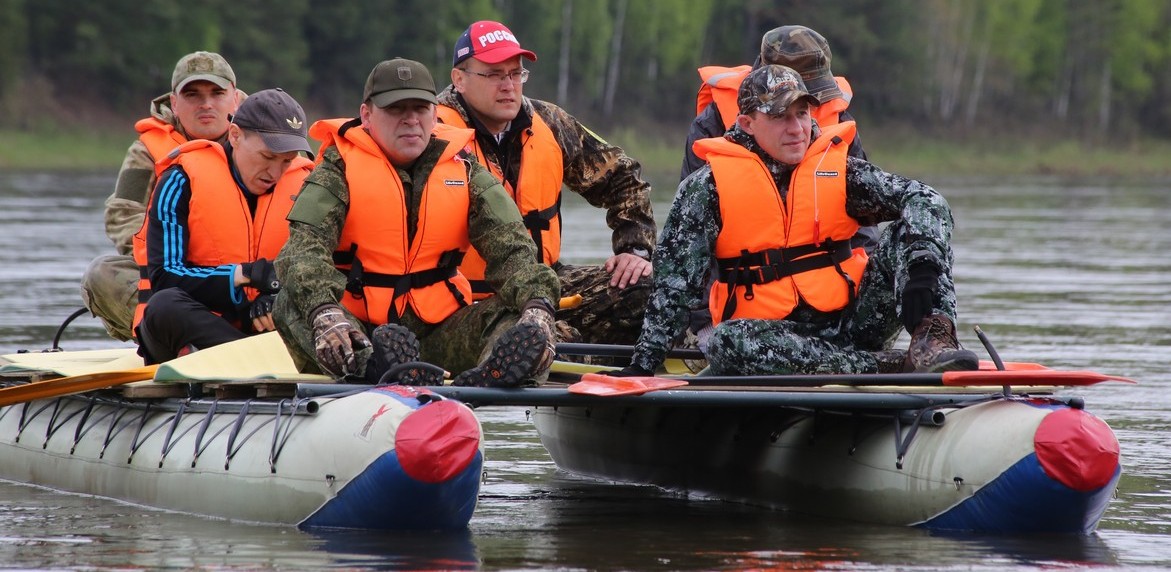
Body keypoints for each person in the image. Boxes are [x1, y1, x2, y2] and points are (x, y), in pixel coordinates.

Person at [619, 65, 979, 378]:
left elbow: (927, 199)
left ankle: (934, 345)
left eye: (803, 114)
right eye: (780, 116)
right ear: (747, 122)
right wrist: (644, 363)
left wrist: (922, 269)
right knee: (726, 342)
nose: (796, 129)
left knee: (915, 231)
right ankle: (884, 366)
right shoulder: (706, 189)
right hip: (772, 336)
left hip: (854, 323)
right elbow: (673, 284)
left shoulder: (841, 172)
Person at [272, 58, 561, 388]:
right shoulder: (336, 172)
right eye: (397, 109)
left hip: (439, 332)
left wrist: (538, 308)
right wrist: (326, 312)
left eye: (420, 109)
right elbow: (302, 254)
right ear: (366, 115)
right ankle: (376, 368)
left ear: (434, 114)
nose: (411, 120)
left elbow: (515, 254)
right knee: (291, 304)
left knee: (516, 317)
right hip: (360, 330)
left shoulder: (466, 172)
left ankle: (491, 376)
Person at [436, 20, 656, 347]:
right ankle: (572, 350)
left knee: (650, 289)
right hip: (462, 299)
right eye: (494, 74)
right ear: (460, 79)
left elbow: (623, 177)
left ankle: (589, 354)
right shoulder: (429, 133)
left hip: (547, 286)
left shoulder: (549, 122)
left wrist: (634, 249)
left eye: (515, 73)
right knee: (544, 339)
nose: (508, 85)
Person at [133, 88, 314, 364]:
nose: (276, 173)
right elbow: (165, 276)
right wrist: (243, 274)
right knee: (164, 306)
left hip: (273, 328)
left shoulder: (308, 187)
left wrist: (278, 297)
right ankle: (255, 360)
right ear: (235, 135)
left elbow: (326, 269)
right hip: (206, 323)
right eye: (267, 157)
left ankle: (250, 359)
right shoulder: (179, 180)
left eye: (287, 161)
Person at [81, 51, 244, 342]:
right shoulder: (146, 151)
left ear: (235, 98)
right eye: (192, 94)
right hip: (172, 274)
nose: (206, 104)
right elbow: (122, 215)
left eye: (216, 93)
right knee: (102, 274)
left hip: (241, 275)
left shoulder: (260, 139)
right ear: (173, 103)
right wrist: (171, 261)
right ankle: (171, 337)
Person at [681, 25, 868, 179]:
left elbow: (865, 218)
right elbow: (688, 209)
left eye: (815, 87)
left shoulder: (839, 119)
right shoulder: (712, 122)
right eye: (779, 114)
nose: (809, 95)